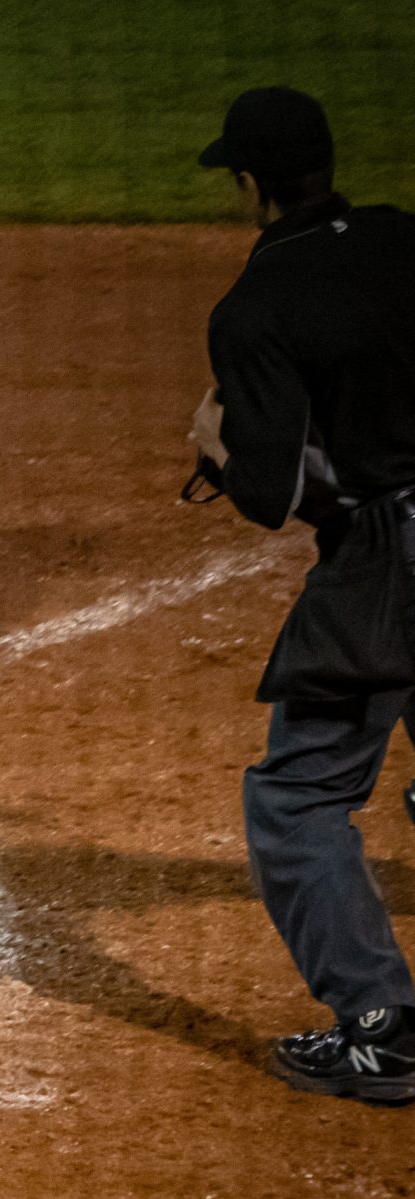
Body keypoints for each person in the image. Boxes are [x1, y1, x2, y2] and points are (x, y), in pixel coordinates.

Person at [184, 87, 415, 1102]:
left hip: (389, 563)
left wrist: (216, 448)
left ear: (247, 183)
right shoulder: (405, 240)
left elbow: (272, 495)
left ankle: (380, 1026)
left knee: (299, 795)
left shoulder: (255, 307)